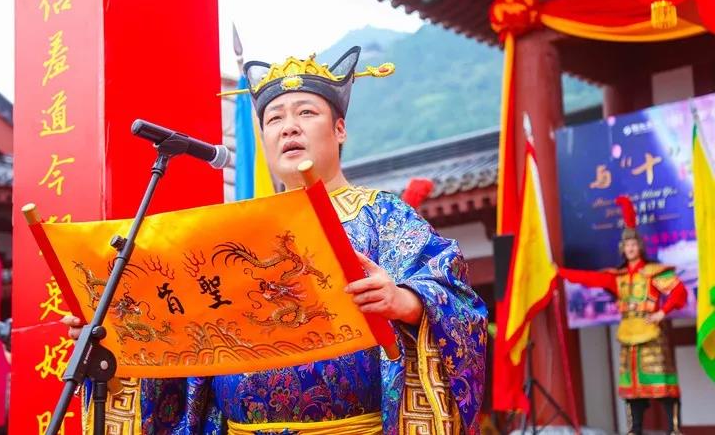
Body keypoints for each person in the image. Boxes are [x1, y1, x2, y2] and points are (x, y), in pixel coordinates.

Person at [64, 46, 488, 434]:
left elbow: (459, 302)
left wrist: (406, 302)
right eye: (274, 119)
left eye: (306, 112)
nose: (289, 128)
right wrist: (114, 329)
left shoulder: (384, 217)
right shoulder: (234, 231)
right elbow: (185, 333)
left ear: (340, 129)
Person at [558, 196, 686, 435]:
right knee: (631, 388)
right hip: (628, 335)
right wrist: (560, 273)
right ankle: (634, 430)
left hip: (650, 333)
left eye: (634, 244)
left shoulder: (653, 272)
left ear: (640, 247)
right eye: (627, 245)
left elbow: (679, 291)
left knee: (663, 384)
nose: (630, 248)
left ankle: (674, 429)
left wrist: (662, 312)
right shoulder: (617, 277)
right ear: (623, 249)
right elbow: (591, 278)